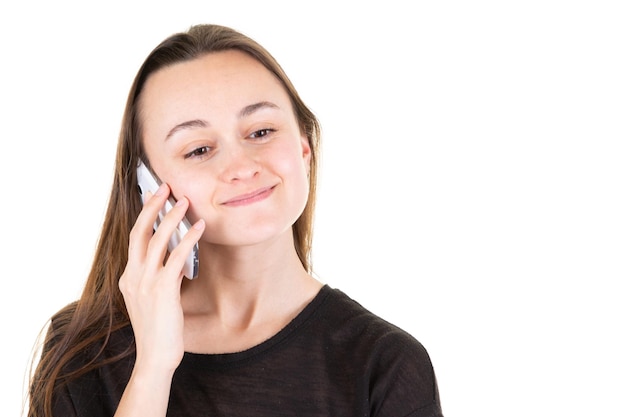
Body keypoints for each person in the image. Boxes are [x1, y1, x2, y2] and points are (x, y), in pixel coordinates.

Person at [27, 23, 443, 417]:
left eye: (261, 131)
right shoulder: (83, 350)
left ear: (303, 148)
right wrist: (153, 366)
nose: (242, 166)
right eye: (199, 149)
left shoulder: (386, 364)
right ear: (148, 185)